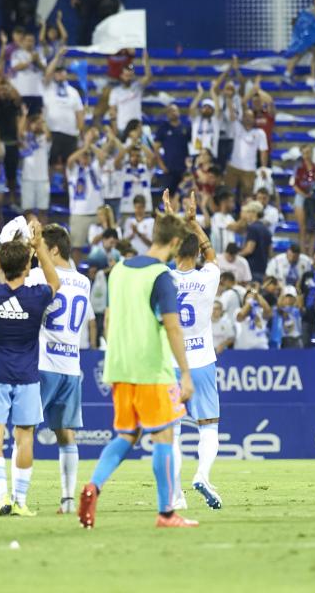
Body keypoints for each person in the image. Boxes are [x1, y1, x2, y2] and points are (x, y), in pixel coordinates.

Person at [78, 212, 198, 529]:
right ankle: (167, 513)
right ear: (174, 243)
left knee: (127, 435)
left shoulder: (118, 270)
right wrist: (185, 373)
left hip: (118, 365)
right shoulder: (161, 276)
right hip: (149, 367)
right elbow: (172, 327)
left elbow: (108, 319)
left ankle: (93, 486)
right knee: (164, 434)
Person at [0, 220, 59, 517]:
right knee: (24, 438)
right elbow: (55, 282)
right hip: (26, 378)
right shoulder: (37, 297)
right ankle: (21, 501)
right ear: (28, 266)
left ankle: (2, 499)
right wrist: (36, 247)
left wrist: (9, 246)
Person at [27, 224, 94, 514]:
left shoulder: (39, 275)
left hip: (43, 363)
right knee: (66, 435)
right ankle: (68, 500)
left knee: (25, 429)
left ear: (52, 249)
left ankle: (17, 497)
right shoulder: (84, 281)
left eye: (40, 249)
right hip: (71, 365)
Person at [164, 191, 222, 511]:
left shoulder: (165, 277)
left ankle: (176, 496)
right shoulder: (209, 276)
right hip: (202, 362)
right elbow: (211, 253)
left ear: (174, 250)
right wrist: (194, 224)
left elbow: (159, 253)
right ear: (196, 254)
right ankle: (202, 474)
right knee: (209, 426)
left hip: (173, 363)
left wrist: (171, 220)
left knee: (171, 433)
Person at [42, 48, 84, 176]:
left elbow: (79, 113)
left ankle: (70, 194)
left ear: (66, 73)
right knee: (49, 165)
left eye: (62, 72)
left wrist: (80, 132)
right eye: (57, 72)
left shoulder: (73, 92)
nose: (60, 74)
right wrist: (57, 57)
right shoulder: (47, 87)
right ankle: (47, 193)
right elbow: (47, 73)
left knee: (70, 167)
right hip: (53, 132)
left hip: (70, 133)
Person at [225, 108, 269, 201]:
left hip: (249, 170)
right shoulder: (237, 127)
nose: (248, 118)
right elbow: (231, 116)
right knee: (227, 194)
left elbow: (263, 151)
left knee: (247, 197)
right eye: (246, 116)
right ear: (242, 117)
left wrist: (263, 168)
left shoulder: (260, 133)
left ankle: (245, 214)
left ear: (254, 119)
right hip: (234, 167)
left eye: (250, 116)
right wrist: (229, 99)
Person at [18, 108, 51, 220]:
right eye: (35, 123)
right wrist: (24, 115)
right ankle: (29, 236)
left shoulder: (45, 139)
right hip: (28, 179)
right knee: (27, 211)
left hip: (43, 179)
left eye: (39, 124)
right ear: (30, 125)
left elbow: (48, 135)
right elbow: (19, 133)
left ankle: (43, 236)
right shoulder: (26, 138)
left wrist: (42, 121)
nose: (37, 126)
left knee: (43, 211)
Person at [292, 144, 315, 255]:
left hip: (314, 197)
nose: (307, 155)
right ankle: (302, 253)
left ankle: (311, 254)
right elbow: (295, 185)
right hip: (301, 196)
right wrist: (304, 194)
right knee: (302, 227)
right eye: (305, 153)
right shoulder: (298, 169)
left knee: (313, 227)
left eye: (309, 152)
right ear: (301, 154)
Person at [108, 52, 152, 132]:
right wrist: (115, 129)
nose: (129, 78)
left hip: (136, 128)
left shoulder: (137, 87)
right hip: (122, 128)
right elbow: (112, 112)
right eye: (126, 76)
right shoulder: (115, 92)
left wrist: (146, 63)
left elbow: (148, 77)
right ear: (121, 76)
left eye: (130, 76)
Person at [239, 201, 272, 283]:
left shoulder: (252, 228)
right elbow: (270, 252)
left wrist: (237, 256)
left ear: (254, 213)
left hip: (251, 269)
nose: (247, 215)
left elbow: (249, 249)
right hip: (262, 269)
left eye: (248, 212)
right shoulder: (267, 229)